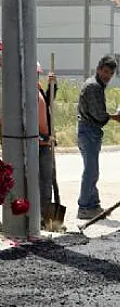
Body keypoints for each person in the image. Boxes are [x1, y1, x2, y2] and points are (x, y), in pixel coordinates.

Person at [76, 55, 120, 220]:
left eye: (110, 73)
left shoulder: (97, 85)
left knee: (92, 169)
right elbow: (98, 115)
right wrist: (113, 117)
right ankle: (84, 207)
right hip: (89, 131)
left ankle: (93, 205)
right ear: (98, 69)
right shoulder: (94, 87)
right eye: (105, 71)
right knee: (91, 171)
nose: (107, 76)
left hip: (89, 131)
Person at [37, 63, 58, 224]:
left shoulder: (38, 91)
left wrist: (53, 86)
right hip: (36, 144)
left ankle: (47, 218)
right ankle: (38, 217)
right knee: (38, 182)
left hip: (44, 144)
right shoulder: (25, 93)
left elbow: (49, 103)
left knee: (47, 181)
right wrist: (43, 138)